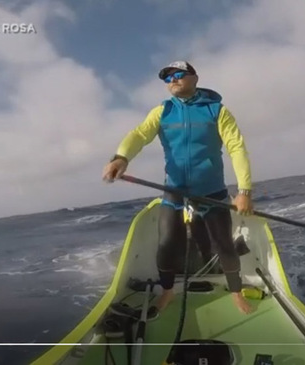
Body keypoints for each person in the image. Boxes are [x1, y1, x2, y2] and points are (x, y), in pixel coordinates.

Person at [102, 61, 254, 314]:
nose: (172, 80)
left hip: (212, 192)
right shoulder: (162, 111)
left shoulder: (217, 110)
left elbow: (236, 148)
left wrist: (244, 191)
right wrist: (121, 158)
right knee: (167, 243)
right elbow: (140, 135)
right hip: (174, 192)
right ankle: (168, 292)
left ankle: (236, 292)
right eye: (167, 78)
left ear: (195, 78)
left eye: (179, 75)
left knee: (224, 244)